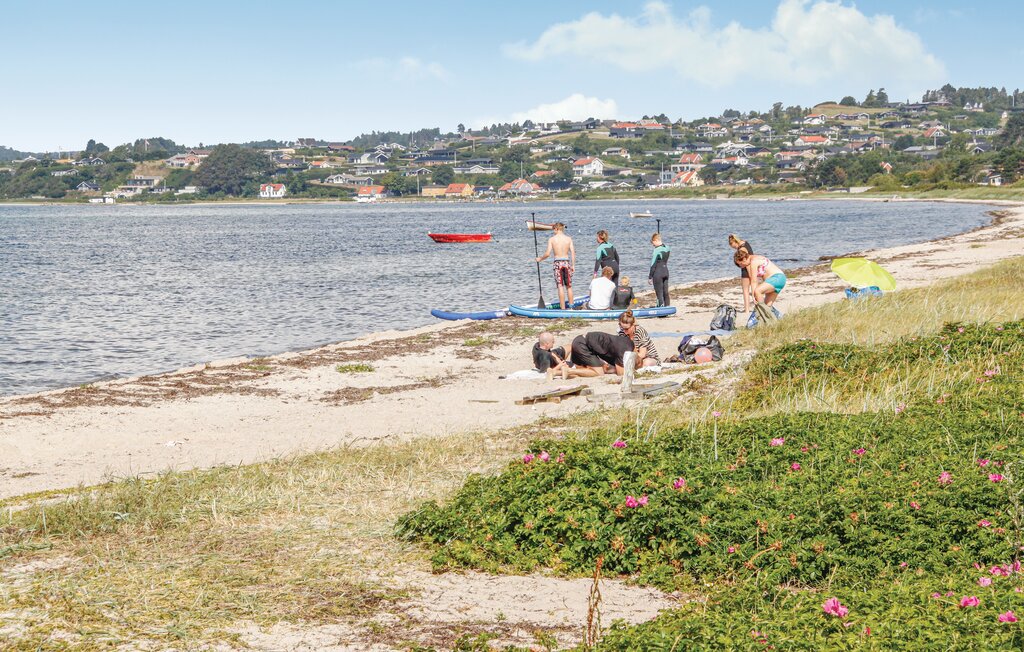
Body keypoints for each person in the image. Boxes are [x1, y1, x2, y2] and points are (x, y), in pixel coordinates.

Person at [559, 331, 635, 379]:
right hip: (582, 345)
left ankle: (554, 372)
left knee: (579, 369)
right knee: (599, 373)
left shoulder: (627, 343)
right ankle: (568, 371)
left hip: (580, 340)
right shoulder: (623, 351)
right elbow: (621, 374)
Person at [536, 222, 576, 309]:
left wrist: (540, 259)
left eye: (554, 229)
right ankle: (572, 307)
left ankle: (563, 308)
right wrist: (573, 265)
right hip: (566, 262)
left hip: (558, 263)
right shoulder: (568, 239)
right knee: (569, 286)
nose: (553, 231)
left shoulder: (552, 239)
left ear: (557, 229)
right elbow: (573, 252)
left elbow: (547, 254)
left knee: (560, 286)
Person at [728, 234, 755, 312]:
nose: (734, 248)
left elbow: (745, 262)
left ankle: (747, 310)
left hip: (747, 270)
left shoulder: (742, 249)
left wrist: (750, 274)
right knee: (753, 289)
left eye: (734, 246)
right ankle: (755, 307)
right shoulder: (745, 243)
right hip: (752, 268)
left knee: (746, 290)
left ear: (735, 242)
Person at [648, 233, 671, 307]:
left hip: (658, 273)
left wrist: (650, 277)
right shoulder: (667, 247)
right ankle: (667, 307)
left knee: (659, 293)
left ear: (656, 240)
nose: (653, 245)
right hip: (666, 272)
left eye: (653, 243)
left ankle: (660, 310)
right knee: (666, 292)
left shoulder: (656, 250)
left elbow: (653, 265)